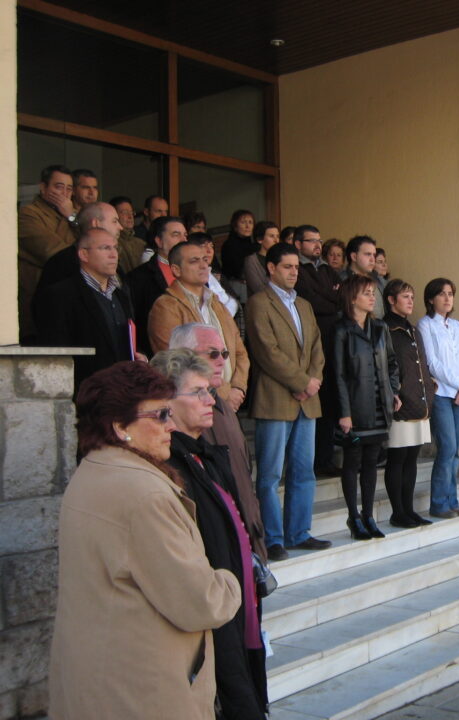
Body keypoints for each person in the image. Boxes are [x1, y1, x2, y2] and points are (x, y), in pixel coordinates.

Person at [49, 362, 241, 720]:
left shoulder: (93, 470)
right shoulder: (144, 494)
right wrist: (231, 581)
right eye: (160, 414)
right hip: (144, 689)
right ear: (120, 426)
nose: (171, 424)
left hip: (104, 676)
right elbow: (201, 602)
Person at [151, 349, 268, 719]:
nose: (210, 401)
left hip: (238, 606)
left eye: (210, 392)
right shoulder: (169, 470)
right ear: (167, 402)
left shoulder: (207, 455)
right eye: (198, 392)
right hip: (212, 618)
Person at [246, 243, 330, 560]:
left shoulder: (305, 306)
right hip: (275, 398)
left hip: (306, 400)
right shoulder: (258, 303)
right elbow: (267, 352)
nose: (294, 272)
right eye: (287, 266)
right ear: (271, 268)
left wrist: (312, 381)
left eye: (297, 267)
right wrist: (302, 381)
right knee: (269, 475)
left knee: (303, 472)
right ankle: (273, 539)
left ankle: (299, 533)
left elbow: (317, 350)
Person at [170, 322, 267, 560]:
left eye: (224, 353)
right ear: (185, 357)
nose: (222, 361)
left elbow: (243, 474)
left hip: (245, 538)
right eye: (212, 353)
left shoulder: (223, 407)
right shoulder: (174, 418)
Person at [333, 274, 401, 539]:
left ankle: (369, 516)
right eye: (367, 293)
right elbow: (337, 375)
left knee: (372, 462)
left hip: (379, 407)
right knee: (353, 462)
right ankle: (354, 517)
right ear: (352, 298)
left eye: (374, 292)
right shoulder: (341, 330)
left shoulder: (381, 328)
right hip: (356, 409)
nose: (373, 297)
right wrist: (344, 412)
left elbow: (393, 363)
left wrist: (393, 390)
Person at [148, 237, 249, 412]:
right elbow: (177, 361)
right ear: (176, 269)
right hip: (192, 404)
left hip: (228, 404)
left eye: (205, 260)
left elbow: (240, 352)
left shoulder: (216, 303)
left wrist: (238, 388)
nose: (203, 266)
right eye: (194, 261)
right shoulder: (166, 306)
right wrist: (226, 393)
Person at [35, 228, 141, 393]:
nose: (114, 255)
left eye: (115, 248)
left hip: (122, 392)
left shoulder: (121, 294)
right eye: (105, 248)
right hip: (85, 394)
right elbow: (57, 352)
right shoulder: (61, 294)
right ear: (84, 254)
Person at [418, 278, 459, 519]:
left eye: (450, 293)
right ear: (431, 299)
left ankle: (453, 501)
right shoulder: (425, 325)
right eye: (442, 294)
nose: (447, 298)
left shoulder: (458, 326)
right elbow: (432, 363)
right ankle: (438, 503)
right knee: (447, 447)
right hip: (441, 394)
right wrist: (458, 384)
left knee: (456, 450)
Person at [383, 279, 435, 527]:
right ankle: (397, 512)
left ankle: (409, 509)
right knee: (398, 458)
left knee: (412, 457)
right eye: (405, 297)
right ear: (391, 300)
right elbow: (386, 366)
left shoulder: (413, 330)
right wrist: (395, 392)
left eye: (412, 297)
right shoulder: (384, 329)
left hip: (419, 400)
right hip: (400, 403)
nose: (410, 301)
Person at [294, 225, 343, 475]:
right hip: (313, 339)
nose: (317, 245)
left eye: (319, 240)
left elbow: (341, 297)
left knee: (331, 401)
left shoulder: (327, 269)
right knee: (317, 399)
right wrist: (330, 298)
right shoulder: (298, 270)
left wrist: (330, 298)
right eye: (311, 240)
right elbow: (309, 299)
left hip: (333, 337)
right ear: (298, 244)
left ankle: (326, 459)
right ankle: (313, 461)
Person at [18, 165, 78, 341]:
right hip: (36, 297)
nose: (64, 194)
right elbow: (55, 253)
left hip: (68, 304)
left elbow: (94, 243)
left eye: (69, 189)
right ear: (43, 187)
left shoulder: (73, 217)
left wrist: (72, 217)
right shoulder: (28, 214)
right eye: (58, 187)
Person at [126, 216, 187, 355]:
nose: (183, 240)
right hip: (155, 357)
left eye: (185, 235)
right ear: (159, 241)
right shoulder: (138, 277)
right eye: (175, 235)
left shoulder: (195, 274)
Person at [342, 235, 383, 316]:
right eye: (368, 254)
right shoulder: (341, 282)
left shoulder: (378, 280)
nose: (372, 259)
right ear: (354, 256)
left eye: (374, 255)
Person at [109, 195, 147, 275]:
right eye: (125, 212)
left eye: (131, 212)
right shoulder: (111, 244)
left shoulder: (141, 243)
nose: (130, 216)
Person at [220, 209, 257, 287]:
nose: (247, 226)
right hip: (235, 285)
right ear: (235, 226)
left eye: (250, 222)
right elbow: (235, 270)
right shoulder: (229, 245)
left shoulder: (254, 245)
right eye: (243, 222)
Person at [243, 221, 281, 296]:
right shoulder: (251, 261)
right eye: (271, 236)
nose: (276, 240)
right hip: (262, 303)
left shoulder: (281, 258)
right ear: (260, 239)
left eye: (277, 236)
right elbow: (258, 288)